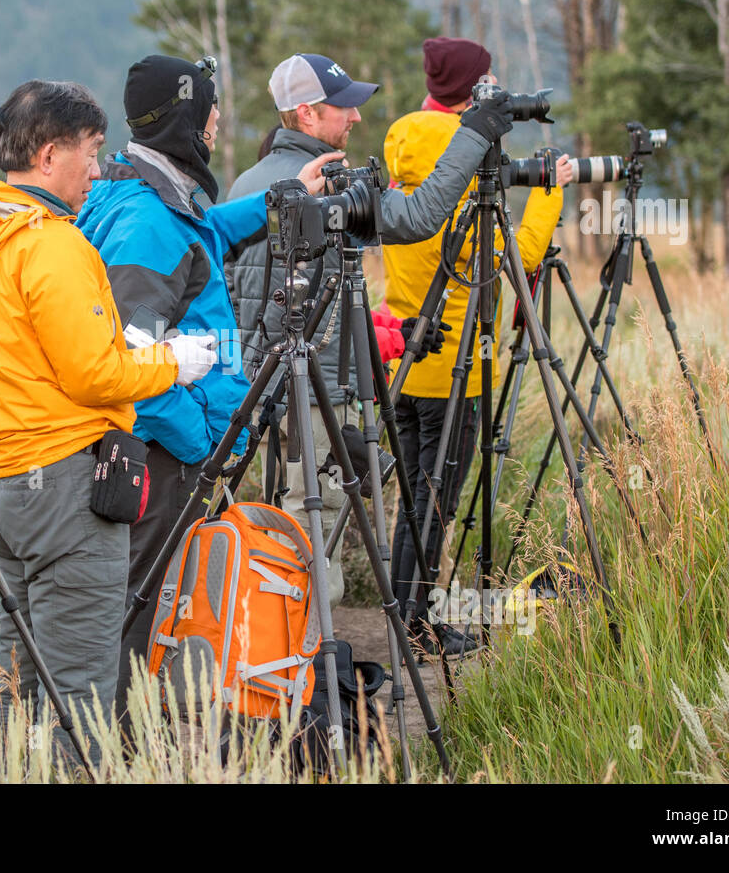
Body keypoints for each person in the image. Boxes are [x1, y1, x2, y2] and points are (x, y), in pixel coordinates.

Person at [0, 80, 216, 751]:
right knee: (82, 695)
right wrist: (173, 363)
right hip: (67, 488)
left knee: (20, 679)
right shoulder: (55, 246)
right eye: (90, 152)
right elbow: (95, 374)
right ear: (49, 155)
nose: (97, 169)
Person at [75, 54, 346, 713]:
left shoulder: (148, 191)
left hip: (173, 444)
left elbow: (207, 234)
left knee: (153, 596)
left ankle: (144, 728)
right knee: (141, 602)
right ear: (186, 121)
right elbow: (131, 365)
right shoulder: (146, 225)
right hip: (164, 452)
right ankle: (117, 744)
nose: (219, 126)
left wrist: (288, 198)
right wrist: (201, 440)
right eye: (211, 115)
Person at [225, 51, 513, 610]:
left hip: (260, 394)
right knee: (315, 541)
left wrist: (390, 333)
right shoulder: (326, 188)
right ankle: (309, 676)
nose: (355, 118)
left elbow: (267, 300)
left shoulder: (248, 180)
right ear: (307, 115)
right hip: (316, 402)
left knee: (283, 523)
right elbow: (420, 216)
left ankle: (280, 661)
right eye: (344, 107)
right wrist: (474, 135)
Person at [381, 36, 574, 657]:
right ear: (476, 92)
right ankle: (417, 625)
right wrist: (549, 191)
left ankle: (402, 610)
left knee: (415, 498)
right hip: (455, 363)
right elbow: (502, 263)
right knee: (436, 502)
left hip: (403, 354)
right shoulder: (463, 163)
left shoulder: (406, 143)